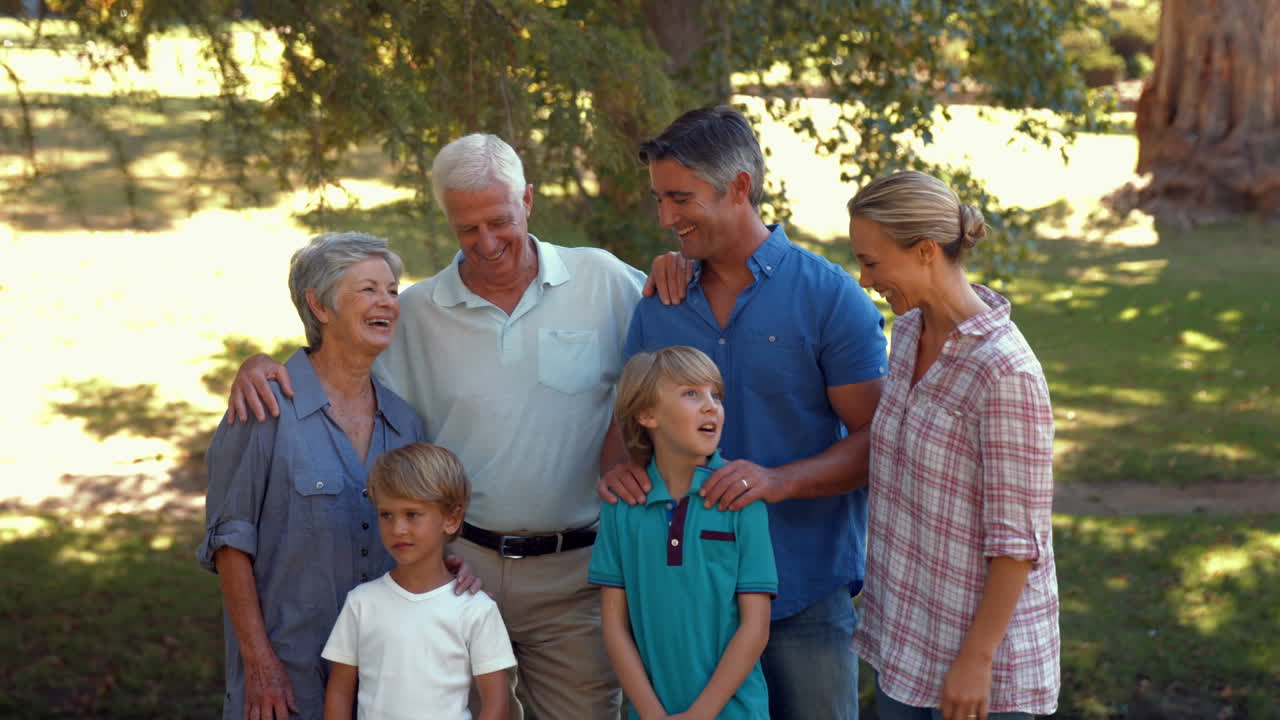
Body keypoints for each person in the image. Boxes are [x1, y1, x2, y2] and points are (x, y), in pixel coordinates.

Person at [226, 133, 645, 719]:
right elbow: (340, 360)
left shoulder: (601, 280)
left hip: (576, 575)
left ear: (528, 199)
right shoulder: (416, 311)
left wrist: (628, 447)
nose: (487, 243)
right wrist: (263, 366)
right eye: (466, 229)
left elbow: (677, 345)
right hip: (455, 571)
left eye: (499, 220)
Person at [600, 105, 888, 719]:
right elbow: (627, 428)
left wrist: (778, 483)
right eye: (659, 200)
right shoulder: (661, 303)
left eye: (680, 198)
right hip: (686, 606)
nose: (665, 218)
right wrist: (620, 469)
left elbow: (879, 441)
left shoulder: (829, 297)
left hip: (803, 591)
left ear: (739, 187)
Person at [846, 170, 1059, 720]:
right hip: (906, 644)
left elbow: (1017, 542)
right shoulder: (910, 334)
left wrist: (976, 660)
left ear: (923, 251)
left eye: (872, 262)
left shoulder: (1005, 372)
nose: (865, 279)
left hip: (982, 673)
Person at [198, 232, 428, 720]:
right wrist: (260, 667)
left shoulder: (405, 423)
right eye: (368, 289)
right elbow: (230, 546)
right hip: (286, 683)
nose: (387, 301)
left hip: (385, 684)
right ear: (319, 306)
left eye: (391, 289)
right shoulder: (262, 409)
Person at [590, 346, 775, 720]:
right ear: (646, 414)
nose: (711, 406)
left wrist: (700, 715)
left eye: (715, 395)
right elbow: (613, 627)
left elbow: (755, 627)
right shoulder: (621, 507)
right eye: (691, 393)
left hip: (735, 712)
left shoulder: (741, 501)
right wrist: (651, 713)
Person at [322, 442, 516, 720]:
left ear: (452, 519)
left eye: (412, 514)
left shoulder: (476, 609)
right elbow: (340, 693)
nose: (398, 528)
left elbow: (496, 706)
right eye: (386, 514)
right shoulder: (361, 603)